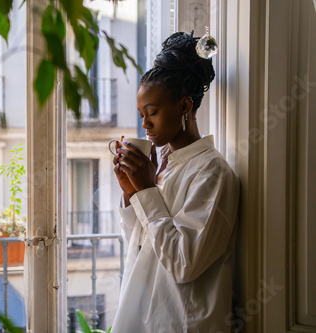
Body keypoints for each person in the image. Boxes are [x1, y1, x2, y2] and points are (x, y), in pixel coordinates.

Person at [110, 31, 240, 332]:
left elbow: (184, 263)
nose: (145, 124)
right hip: (141, 316)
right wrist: (132, 194)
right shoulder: (163, 167)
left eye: (152, 112)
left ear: (184, 106)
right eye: (142, 114)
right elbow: (142, 247)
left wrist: (146, 189)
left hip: (180, 323)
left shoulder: (212, 173)